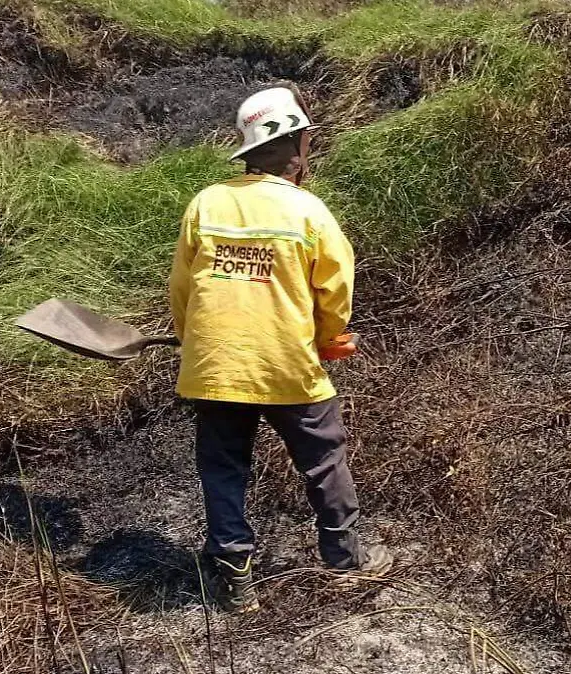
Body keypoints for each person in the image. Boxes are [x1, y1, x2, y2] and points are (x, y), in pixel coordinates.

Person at [167, 86, 393, 613]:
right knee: (323, 458)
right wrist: (325, 336)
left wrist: (190, 339)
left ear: (247, 151)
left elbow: (183, 289)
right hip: (288, 367)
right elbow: (335, 293)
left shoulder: (207, 203)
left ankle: (233, 578)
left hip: (214, 367)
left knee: (223, 466)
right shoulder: (308, 212)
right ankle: (345, 560)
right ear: (297, 147)